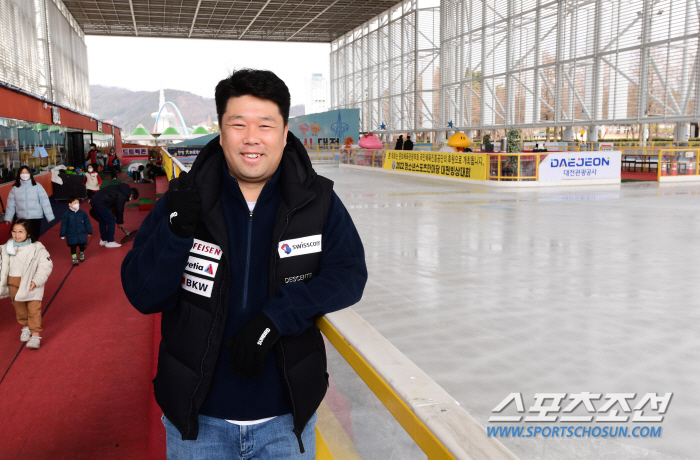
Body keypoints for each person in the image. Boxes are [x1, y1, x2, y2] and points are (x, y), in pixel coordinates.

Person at [121, 69, 367, 458]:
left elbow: (350, 274)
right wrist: (175, 234)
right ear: (221, 132)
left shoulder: (317, 201)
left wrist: (277, 317)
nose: (252, 137)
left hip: (286, 423)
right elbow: (142, 293)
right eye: (238, 124)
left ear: (285, 134)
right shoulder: (184, 201)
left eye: (265, 125)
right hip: (197, 424)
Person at [0, 219, 53, 350]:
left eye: (21, 232)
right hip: (13, 283)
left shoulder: (37, 248)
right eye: (14, 231)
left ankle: (35, 336)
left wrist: (36, 280)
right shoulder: (6, 248)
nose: (17, 235)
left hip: (31, 283)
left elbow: (46, 265)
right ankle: (26, 327)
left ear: (28, 233)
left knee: (34, 310)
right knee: (20, 309)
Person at [4, 166, 55, 241]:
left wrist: (49, 215)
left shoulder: (37, 186)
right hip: (22, 218)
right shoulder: (15, 188)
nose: (24, 174)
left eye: (26, 172)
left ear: (30, 174)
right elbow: (10, 205)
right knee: (23, 237)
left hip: (36, 217)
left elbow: (45, 202)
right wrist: (8, 217)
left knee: (34, 237)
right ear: (19, 175)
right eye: (22, 173)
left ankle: (34, 251)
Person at [90, 183, 139, 248]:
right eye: (132, 198)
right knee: (111, 220)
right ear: (132, 194)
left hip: (94, 200)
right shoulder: (123, 195)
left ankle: (103, 240)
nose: (130, 200)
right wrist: (120, 222)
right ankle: (110, 241)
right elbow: (119, 208)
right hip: (101, 203)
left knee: (102, 221)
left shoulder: (120, 189)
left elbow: (113, 201)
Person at [60, 195, 93, 266]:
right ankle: (74, 258)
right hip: (71, 234)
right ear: (70, 204)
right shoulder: (67, 214)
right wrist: (62, 233)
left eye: (77, 202)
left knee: (82, 245)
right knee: (73, 246)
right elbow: (64, 224)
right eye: (74, 203)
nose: (77, 204)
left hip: (82, 233)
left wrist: (89, 231)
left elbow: (87, 222)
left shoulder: (82, 213)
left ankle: (81, 253)